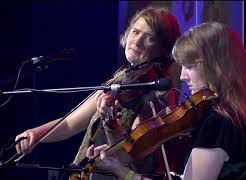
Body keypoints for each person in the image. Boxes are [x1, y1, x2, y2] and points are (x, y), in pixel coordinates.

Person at [87, 22, 246, 180]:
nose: (182, 76)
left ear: (216, 67)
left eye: (189, 66)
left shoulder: (219, 121)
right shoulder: (244, 110)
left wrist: (123, 173)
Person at [15, 6, 181, 179]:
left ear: (164, 49)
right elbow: (70, 123)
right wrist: (36, 134)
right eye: (135, 31)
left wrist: (109, 120)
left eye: (149, 38)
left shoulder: (158, 93)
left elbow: (128, 156)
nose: (137, 41)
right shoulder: (121, 78)